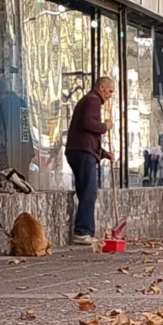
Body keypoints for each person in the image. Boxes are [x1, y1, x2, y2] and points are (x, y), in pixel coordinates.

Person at [65, 77, 115, 245]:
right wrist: (105, 126)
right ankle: (82, 231)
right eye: (110, 91)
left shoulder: (89, 101)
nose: (110, 95)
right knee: (89, 191)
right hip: (82, 151)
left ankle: (85, 230)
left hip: (79, 150)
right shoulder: (93, 100)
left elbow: (87, 134)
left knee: (85, 190)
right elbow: (89, 124)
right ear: (101, 88)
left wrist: (103, 153)